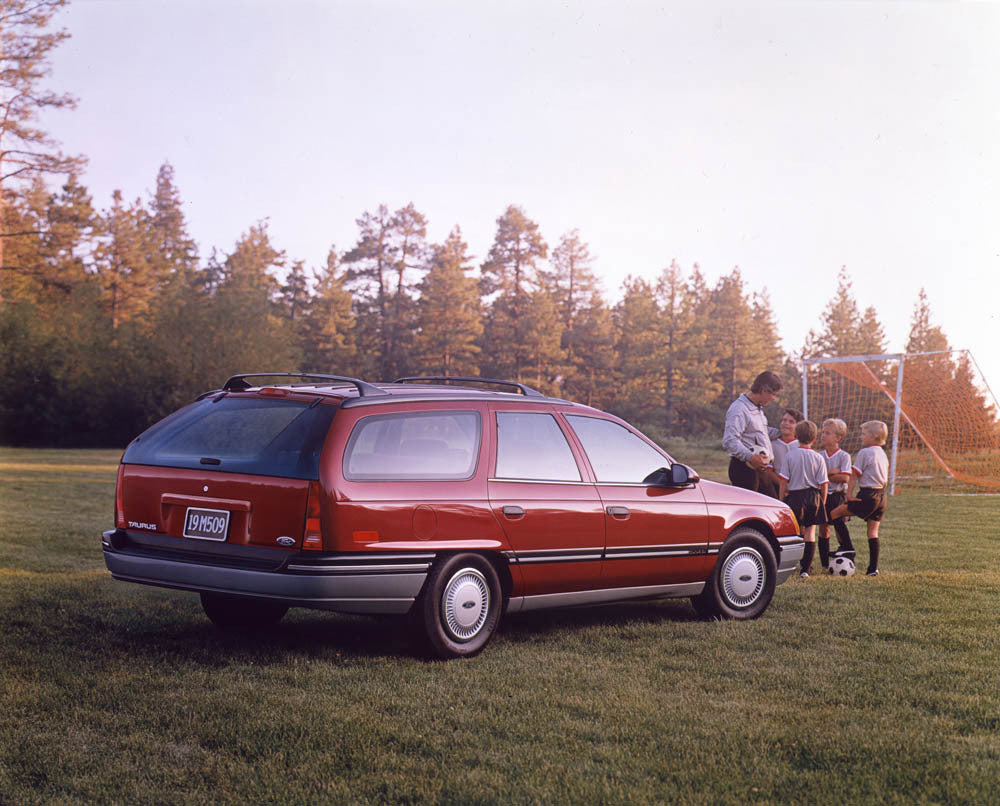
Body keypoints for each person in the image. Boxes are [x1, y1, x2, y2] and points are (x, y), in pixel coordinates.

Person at [830, 420, 889, 577]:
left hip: (867, 495)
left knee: (834, 514)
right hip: (882, 496)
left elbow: (854, 475)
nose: (860, 437)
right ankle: (873, 569)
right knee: (872, 532)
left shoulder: (865, 452)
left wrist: (849, 495)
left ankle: (847, 546)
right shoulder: (883, 454)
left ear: (873, 436)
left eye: (863, 434)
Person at [777, 420, 828, 577]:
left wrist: (781, 499)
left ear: (796, 436)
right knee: (810, 532)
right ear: (814, 438)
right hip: (813, 497)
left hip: (795, 496)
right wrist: (823, 502)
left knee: (795, 531)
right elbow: (824, 484)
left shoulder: (790, 455)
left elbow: (783, 481)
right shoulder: (818, 457)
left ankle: (790, 564)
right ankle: (805, 569)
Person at [722, 371, 782, 493]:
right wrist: (750, 457)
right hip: (745, 471)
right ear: (764, 390)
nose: (774, 398)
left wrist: (784, 432)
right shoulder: (739, 409)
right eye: (774, 394)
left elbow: (761, 432)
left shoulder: (757, 408)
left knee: (771, 506)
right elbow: (729, 441)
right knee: (750, 510)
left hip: (760, 471)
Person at [818, 418, 855, 568]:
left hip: (838, 496)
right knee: (823, 527)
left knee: (839, 525)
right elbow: (817, 478)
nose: (823, 435)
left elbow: (845, 477)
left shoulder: (844, 456)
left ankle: (847, 552)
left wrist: (826, 475)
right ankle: (825, 563)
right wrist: (832, 472)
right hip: (823, 495)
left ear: (838, 438)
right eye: (823, 432)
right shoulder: (819, 455)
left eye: (827, 433)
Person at [765, 407, 803, 499]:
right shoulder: (772, 444)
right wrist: (783, 485)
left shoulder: (801, 445)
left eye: (791, 422)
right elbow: (768, 470)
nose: (786, 423)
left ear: (798, 426)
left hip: (798, 489)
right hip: (777, 487)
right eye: (784, 420)